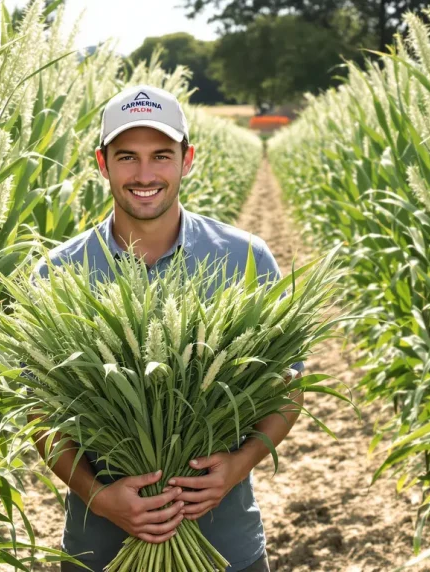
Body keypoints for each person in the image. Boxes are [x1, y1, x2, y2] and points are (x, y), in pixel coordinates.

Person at [31, 84, 304, 572]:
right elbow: (40, 412)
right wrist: (100, 497)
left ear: (187, 159)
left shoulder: (243, 258)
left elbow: (287, 387)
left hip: (226, 551)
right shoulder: (58, 273)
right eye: (127, 157)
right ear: (102, 163)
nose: (144, 175)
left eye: (161, 155)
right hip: (102, 552)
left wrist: (235, 469)